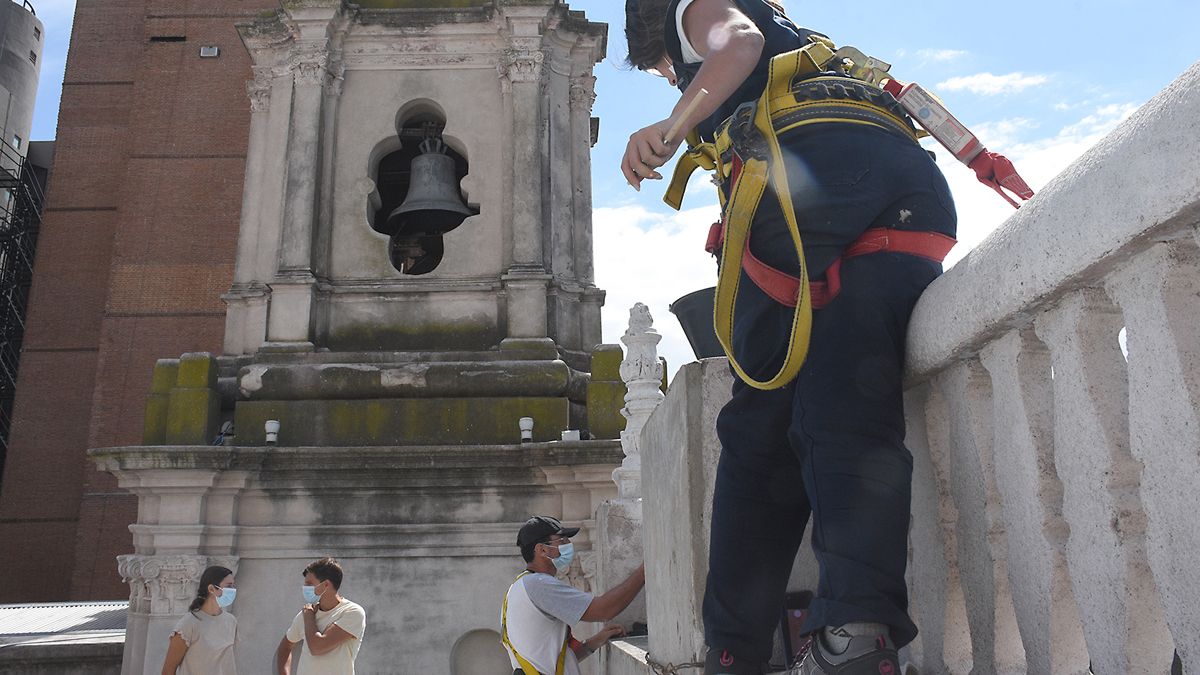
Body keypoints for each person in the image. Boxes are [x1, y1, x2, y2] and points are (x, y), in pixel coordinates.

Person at [621, 1, 958, 673]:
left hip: (808, 210)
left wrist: (672, 124)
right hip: (909, 209)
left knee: (758, 440)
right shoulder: (809, 48)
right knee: (849, 404)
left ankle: (732, 652)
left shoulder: (693, 10)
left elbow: (736, 44)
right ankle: (855, 633)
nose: (672, 79)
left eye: (663, 71)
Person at [501, 516, 646, 675]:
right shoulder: (539, 585)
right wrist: (643, 572)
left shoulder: (517, 588)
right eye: (562, 540)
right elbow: (605, 610)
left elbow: (553, 662)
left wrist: (593, 642)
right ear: (542, 549)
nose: (568, 545)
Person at [275, 557, 367, 675]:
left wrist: (309, 617)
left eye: (309, 584)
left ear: (326, 585)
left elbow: (317, 647)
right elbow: (285, 646)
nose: (304, 588)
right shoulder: (305, 613)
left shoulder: (352, 612)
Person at [161, 565, 238, 675]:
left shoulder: (231, 621)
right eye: (229, 586)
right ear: (211, 589)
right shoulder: (189, 623)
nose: (233, 590)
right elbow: (168, 670)